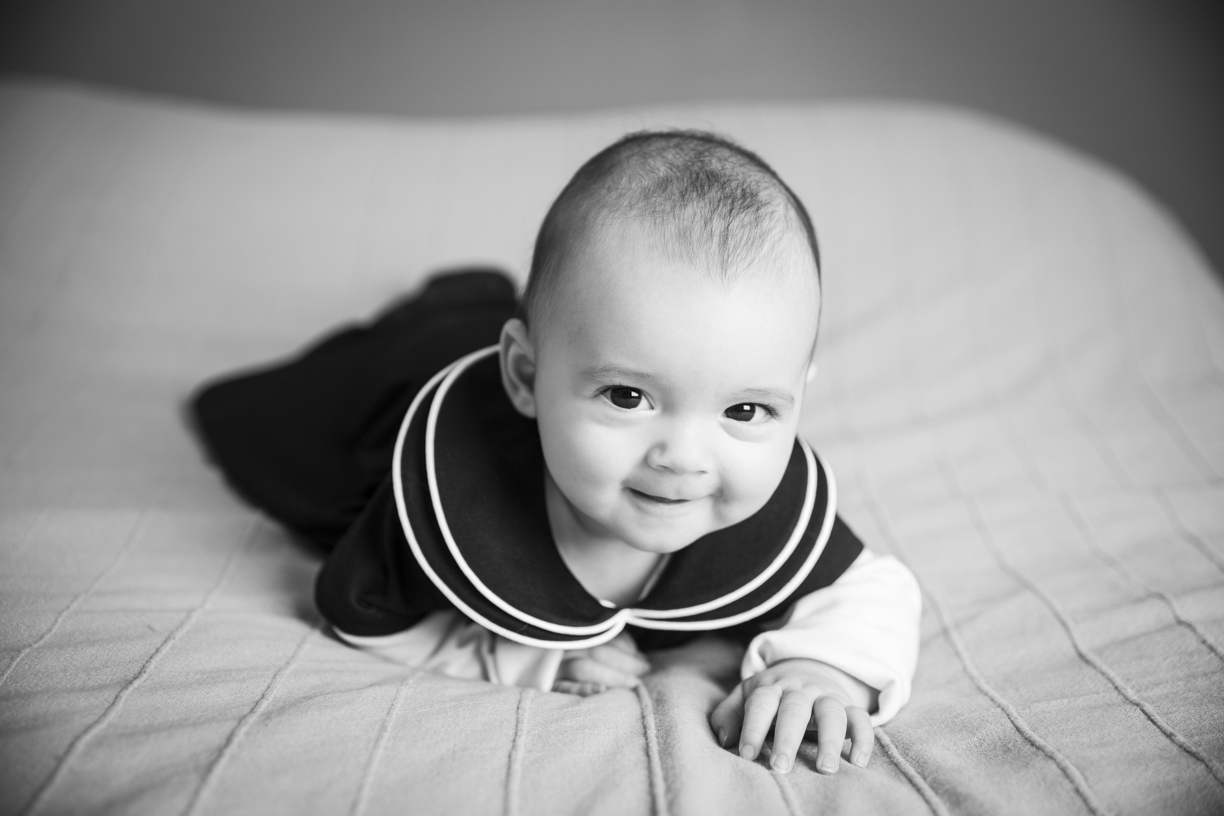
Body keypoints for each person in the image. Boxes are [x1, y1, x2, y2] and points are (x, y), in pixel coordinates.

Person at [192, 130, 920, 776]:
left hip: (543, 342)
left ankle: (491, 307)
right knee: (370, 373)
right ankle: (452, 307)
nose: (684, 457)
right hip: (392, 393)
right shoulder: (453, 484)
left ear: (797, 397)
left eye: (746, 409)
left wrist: (822, 669)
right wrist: (532, 657)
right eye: (628, 398)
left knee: (530, 315)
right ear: (525, 377)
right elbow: (367, 611)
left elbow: (874, 587)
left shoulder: (770, 505)